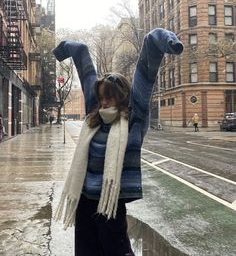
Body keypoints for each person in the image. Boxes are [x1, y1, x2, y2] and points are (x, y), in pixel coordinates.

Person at [52, 28, 183, 256]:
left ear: (122, 97)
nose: (103, 102)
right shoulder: (94, 117)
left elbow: (145, 73)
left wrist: (166, 41)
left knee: (116, 251)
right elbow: (85, 66)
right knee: (85, 251)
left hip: (110, 203)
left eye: (109, 96)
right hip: (84, 200)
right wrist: (66, 49)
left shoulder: (133, 121)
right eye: (101, 97)